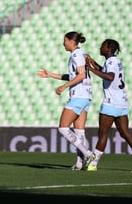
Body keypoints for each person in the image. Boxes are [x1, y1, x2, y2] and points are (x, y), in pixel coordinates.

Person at [85, 39, 132, 173]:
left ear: (108, 48)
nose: (100, 47)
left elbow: (109, 77)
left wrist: (90, 69)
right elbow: (105, 71)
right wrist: (93, 63)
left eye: (102, 45)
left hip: (111, 103)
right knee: (125, 133)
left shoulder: (111, 62)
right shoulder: (115, 60)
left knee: (103, 134)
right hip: (122, 102)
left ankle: (93, 164)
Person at [37, 31, 95, 170]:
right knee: (79, 131)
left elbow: (80, 75)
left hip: (78, 96)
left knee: (63, 128)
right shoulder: (80, 53)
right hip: (86, 96)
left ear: (71, 41)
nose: (63, 43)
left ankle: (87, 153)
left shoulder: (76, 55)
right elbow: (73, 76)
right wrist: (50, 74)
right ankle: (80, 164)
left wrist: (64, 87)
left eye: (65, 40)